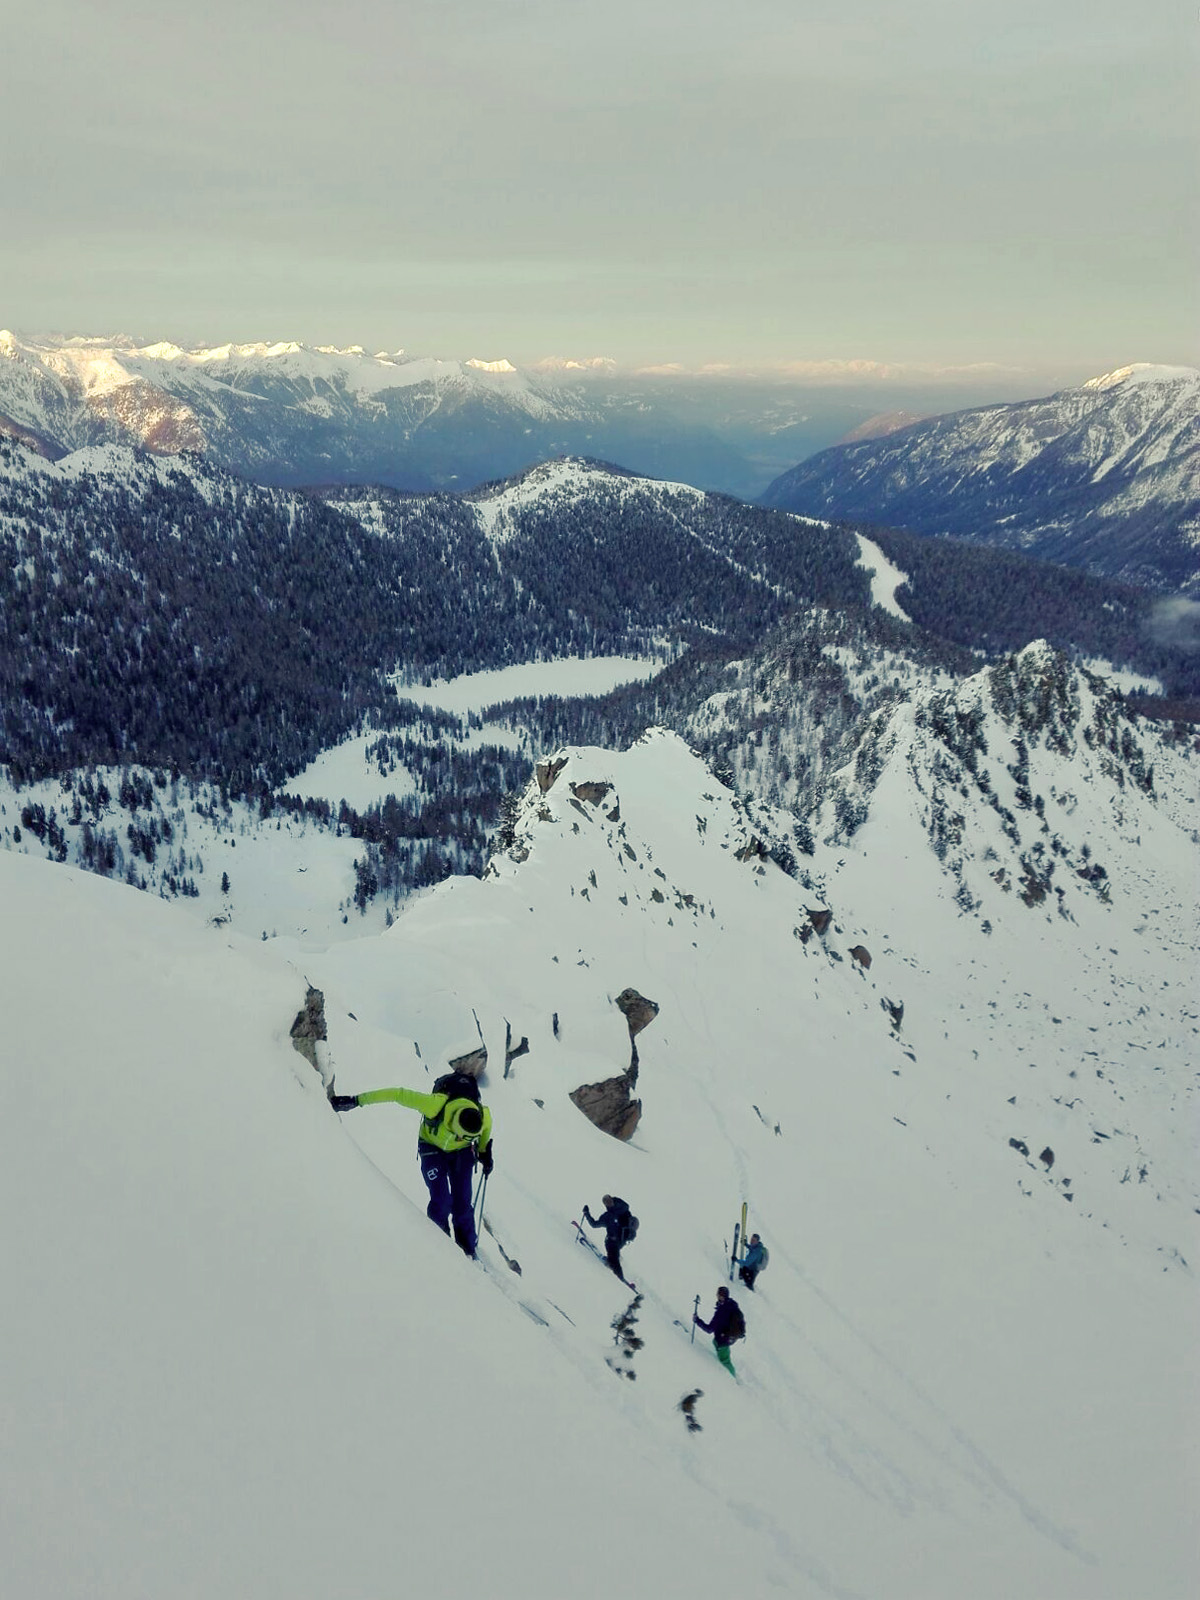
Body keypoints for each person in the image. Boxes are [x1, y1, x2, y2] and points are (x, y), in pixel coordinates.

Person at [330, 1071, 493, 1258]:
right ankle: (442, 1247)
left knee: (462, 1203)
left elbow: (486, 1132)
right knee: (441, 1201)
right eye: (459, 1135)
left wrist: (483, 1151)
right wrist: (356, 1100)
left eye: (467, 1138)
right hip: (432, 1147)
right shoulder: (435, 1105)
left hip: (462, 1153)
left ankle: (467, 1249)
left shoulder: (484, 1116)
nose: (460, 1138)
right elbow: (397, 1094)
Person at [581, 1194, 636, 1280]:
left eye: (610, 1200)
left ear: (612, 1199)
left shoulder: (620, 1209)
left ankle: (620, 1277)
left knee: (614, 1260)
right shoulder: (608, 1215)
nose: (609, 1203)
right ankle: (613, 1263)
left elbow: (626, 1206)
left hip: (618, 1240)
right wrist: (587, 1213)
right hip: (616, 1241)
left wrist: (586, 1213)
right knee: (613, 1255)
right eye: (606, 1202)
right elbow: (594, 1224)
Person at [694, 1286, 744, 1376]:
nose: (716, 1295)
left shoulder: (722, 1311)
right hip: (727, 1337)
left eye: (717, 1294)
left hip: (724, 1339)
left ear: (721, 1296)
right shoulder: (731, 1304)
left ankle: (733, 1379)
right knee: (716, 1343)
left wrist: (697, 1320)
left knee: (725, 1361)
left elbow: (709, 1329)